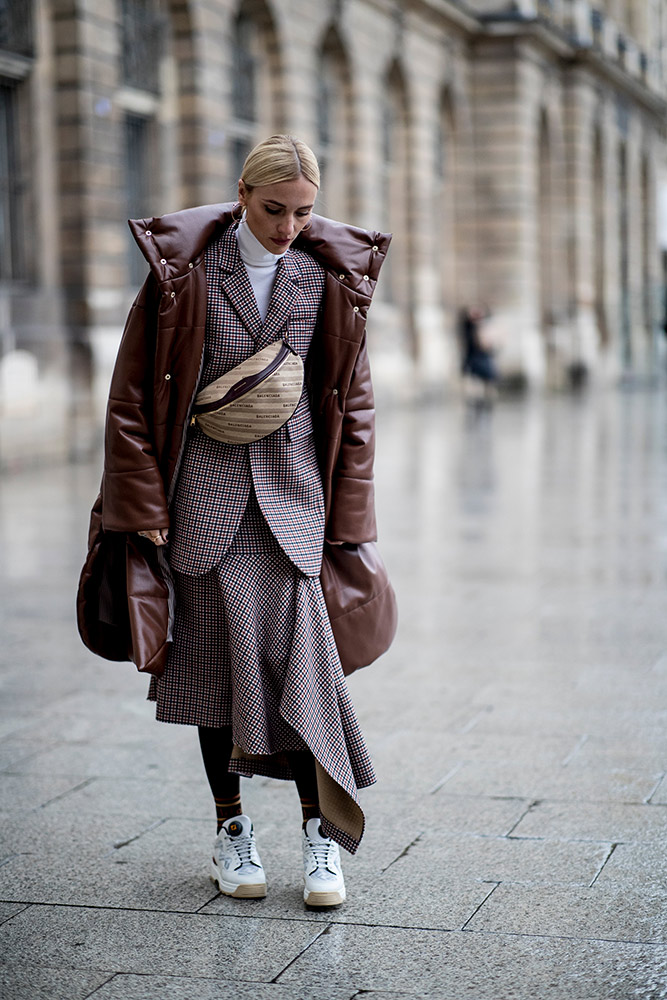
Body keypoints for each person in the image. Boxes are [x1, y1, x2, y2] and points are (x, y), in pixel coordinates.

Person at [77, 135, 394, 908]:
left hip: (294, 503)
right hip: (202, 504)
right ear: (242, 196)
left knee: (306, 667)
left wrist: (348, 518)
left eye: (304, 212)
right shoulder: (180, 281)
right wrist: (144, 505)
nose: (288, 225)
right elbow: (128, 403)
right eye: (275, 208)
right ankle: (231, 832)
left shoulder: (324, 282)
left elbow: (352, 407)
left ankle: (323, 838)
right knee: (215, 673)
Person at [458, 304, 498, 404]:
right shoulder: (468, 328)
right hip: (473, 362)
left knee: (487, 389)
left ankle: (485, 404)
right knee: (475, 391)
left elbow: (489, 345)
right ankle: (477, 405)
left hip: (484, 361)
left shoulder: (485, 327)